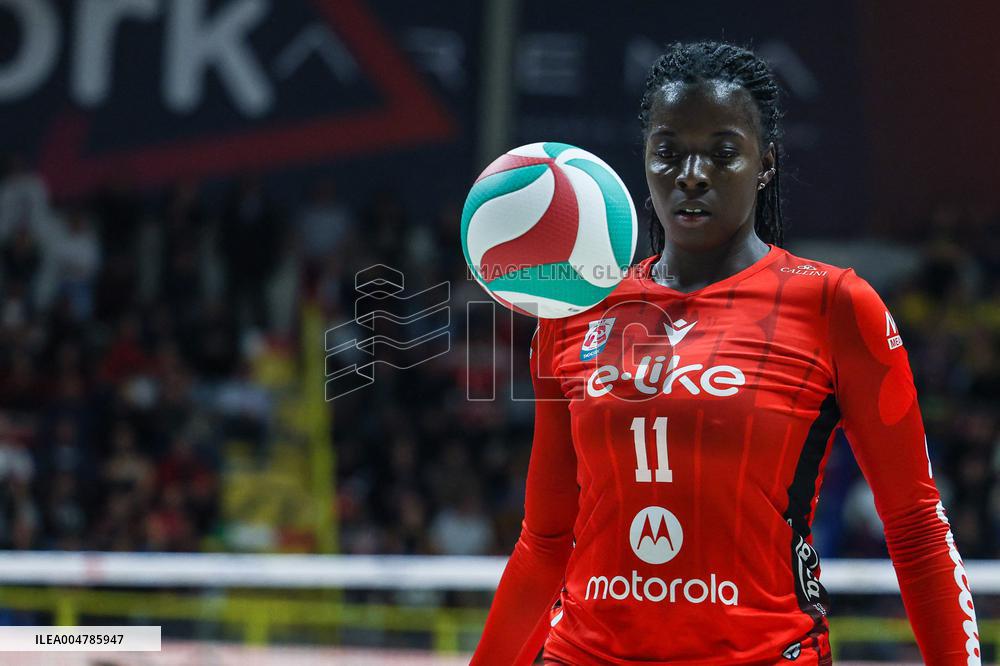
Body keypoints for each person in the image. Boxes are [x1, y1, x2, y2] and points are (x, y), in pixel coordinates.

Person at [471, 41, 980, 665]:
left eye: (722, 153)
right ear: (646, 162)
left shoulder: (835, 305)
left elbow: (916, 529)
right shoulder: (579, 312)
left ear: (764, 162)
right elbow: (545, 542)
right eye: (669, 152)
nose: (692, 173)